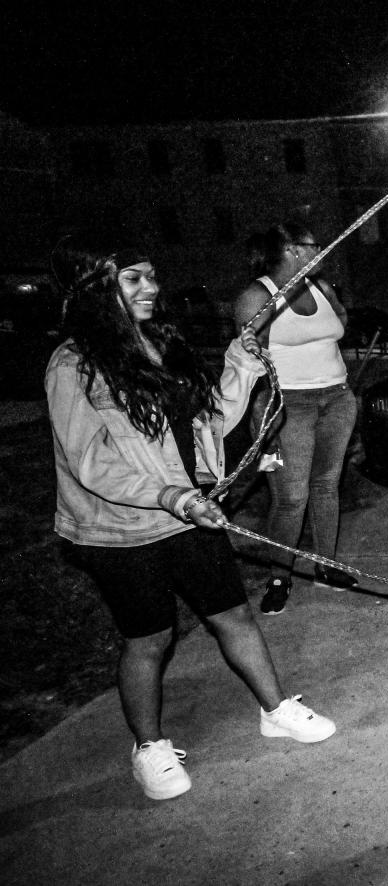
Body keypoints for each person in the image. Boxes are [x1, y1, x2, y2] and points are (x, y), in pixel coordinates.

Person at [46, 236, 336, 801]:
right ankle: (149, 747)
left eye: (151, 276)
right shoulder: (73, 362)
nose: (150, 288)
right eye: (132, 278)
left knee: (234, 616)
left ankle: (275, 710)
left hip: (187, 514)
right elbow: (89, 461)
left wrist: (240, 368)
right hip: (121, 529)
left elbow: (209, 425)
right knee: (149, 639)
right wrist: (172, 496)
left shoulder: (162, 346)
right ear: (95, 288)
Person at [234, 223, 359, 616]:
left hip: (337, 397)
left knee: (326, 486)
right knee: (291, 497)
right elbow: (244, 355)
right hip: (289, 405)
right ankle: (279, 577)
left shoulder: (321, 287)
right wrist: (261, 419)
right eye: (314, 245)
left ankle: (327, 565)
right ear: (291, 250)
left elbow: (340, 323)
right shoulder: (257, 295)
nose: (321, 249)